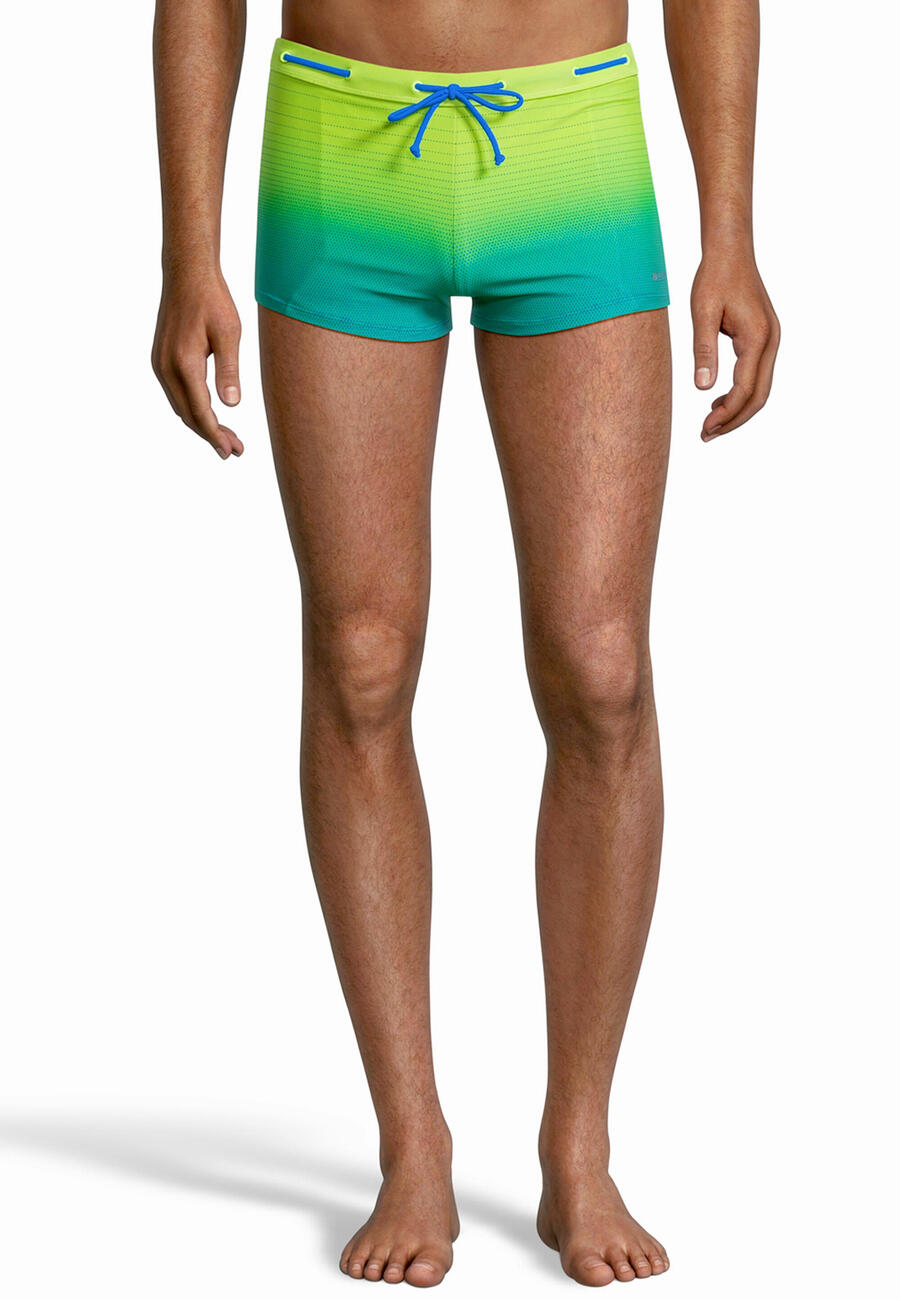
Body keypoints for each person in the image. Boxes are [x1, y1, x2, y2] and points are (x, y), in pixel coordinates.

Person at [151, 0, 779, 1286]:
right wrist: (185, 248)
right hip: (339, 150)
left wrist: (733, 226)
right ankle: (412, 1140)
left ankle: (579, 1142)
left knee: (601, 670)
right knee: (361, 659)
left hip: (570, 146)